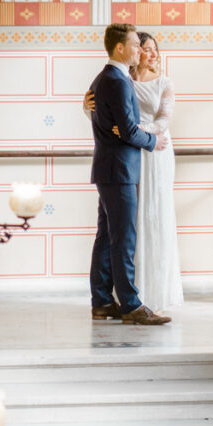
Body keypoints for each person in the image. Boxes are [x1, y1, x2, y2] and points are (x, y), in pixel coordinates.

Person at [85, 31, 184, 313]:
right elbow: (114, 123)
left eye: (152, 48)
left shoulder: (122, 79)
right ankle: (129, 303)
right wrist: (146, 138)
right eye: (140, 47)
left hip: (147, 157)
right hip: (125, 161)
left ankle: (106, 299)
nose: (147, 52)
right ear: (127, 49)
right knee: (123, 235)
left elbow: (156, 122)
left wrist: (147, 136)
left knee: (117, 232)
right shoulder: (117, 80)